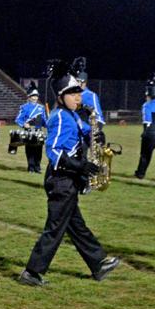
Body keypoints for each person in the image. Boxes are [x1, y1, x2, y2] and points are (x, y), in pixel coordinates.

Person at [19, 65, 120, 287]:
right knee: (55, 229)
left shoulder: (72, 115)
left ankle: (98, 264)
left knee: (77, 226)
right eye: (73, 93)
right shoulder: (59, 117)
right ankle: (31, 272)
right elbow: (53, 150)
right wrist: (80, 166)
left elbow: (86, 130)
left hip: (67, 179)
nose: (78, 97)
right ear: (61, 96)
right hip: (61, 179)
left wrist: (97, 134)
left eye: (79, 92)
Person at [14, 82, 47, 173]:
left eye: (36, 96)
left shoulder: (41, 107)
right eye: (33, 96)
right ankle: (31, 167)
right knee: (30, 150)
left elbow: (44, 121)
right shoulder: (24, 107)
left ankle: (37, 167)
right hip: (28, 131)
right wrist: (24, 124)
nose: (35, 98)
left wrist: (48, 124)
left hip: (38, 130)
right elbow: (18, 119)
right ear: (29, 96)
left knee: (38, 150)